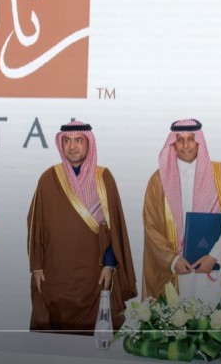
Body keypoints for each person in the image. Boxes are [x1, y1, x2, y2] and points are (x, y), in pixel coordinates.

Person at [142, 119, 221, 344]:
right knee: (178, 334)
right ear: (172, 144)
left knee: (212, 334)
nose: (186, 145)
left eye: (191, 139)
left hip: (212, 270)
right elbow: (151, 226)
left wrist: (214, 255)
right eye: (180, 140)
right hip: (177, 272)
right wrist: (173, 260)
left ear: (199, 142)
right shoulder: (158, 180)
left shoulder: (219, 173)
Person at [27, 121, 137, 332]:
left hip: (93, 277)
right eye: (67, 141)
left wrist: (110, 264)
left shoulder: (103, 177)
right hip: (54, 275)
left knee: (91, 336)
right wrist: (36, 265)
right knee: (53, 340)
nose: (72, 146)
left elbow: (115, 229)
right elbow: (35, 224)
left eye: (78, 140)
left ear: (89, 143)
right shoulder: (48, 178)